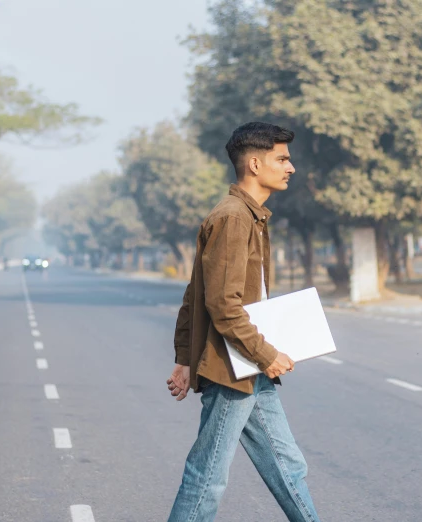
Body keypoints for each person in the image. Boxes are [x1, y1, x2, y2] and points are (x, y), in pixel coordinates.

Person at [166, 122, 321, 522]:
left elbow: (194, 293)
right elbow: (221, 304)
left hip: (248, 366)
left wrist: (184, 358)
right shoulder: (234, 218)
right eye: (282, 159)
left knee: (288, 466)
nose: (291, 167)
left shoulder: (248, 216)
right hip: (232, 368)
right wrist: (266, 354)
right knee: (207, 476)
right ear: (254, 163)